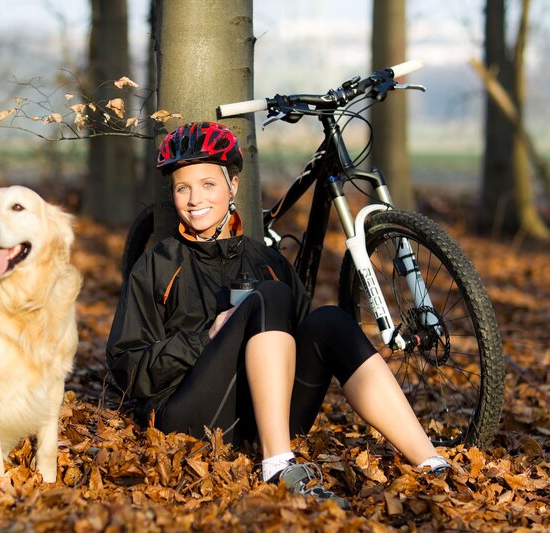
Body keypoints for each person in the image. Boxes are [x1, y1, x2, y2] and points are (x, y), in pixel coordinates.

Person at [106, 121, 449, 508]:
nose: (193, 198)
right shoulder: (157, 264)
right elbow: (126, 365)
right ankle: (278, 467)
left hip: (265, 419)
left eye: (207, 184)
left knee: (332, 320)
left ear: (232, 186)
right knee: (266, 296)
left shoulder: (266, 260)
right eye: (182, 187)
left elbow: (300, 346)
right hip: (190, 418)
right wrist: (205, 338)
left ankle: (430, 461)